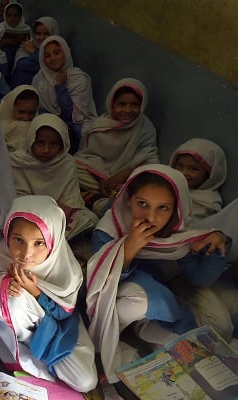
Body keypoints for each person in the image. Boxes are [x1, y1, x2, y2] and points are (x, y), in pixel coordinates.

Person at [85, 164, 230, 386]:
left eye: (163, 208)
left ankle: (149, 334)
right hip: (121, 299)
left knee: (212, 332)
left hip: (157, 301)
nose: (150, 217)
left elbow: (198, 277)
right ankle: (115, 340)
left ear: (175, 210)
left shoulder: (174, 233)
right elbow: (100, 281)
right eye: (142, 204)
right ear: (127, 200)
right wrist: (130, 247)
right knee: (141, 298)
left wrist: (213, 248)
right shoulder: (110, 228)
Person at [0, 196, 98, 393]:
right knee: (11, 295)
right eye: (18, 240)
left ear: (53, 241)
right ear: (7, 235)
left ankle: (41, 355)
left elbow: (63, 314)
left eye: (39, 243)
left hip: (59, 328)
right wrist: (4, 283)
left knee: (86, 382)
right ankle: (31, 352)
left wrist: (34, 291)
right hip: (23, 335)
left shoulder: (65, 269)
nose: (26, 253)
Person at [75, 78, 157, 215]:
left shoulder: (145, 128)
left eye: (134, 105)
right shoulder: (100, 126)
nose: (127, 110)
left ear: (142, 105)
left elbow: (150, 159)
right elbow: (86, 156)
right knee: (70, 167)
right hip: (98, 176)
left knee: (147, 183)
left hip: (125, 178)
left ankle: (99, 199)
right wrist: (102, 177)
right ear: (112, 104)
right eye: (121, 104)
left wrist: (124, 174)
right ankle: (108, 199)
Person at [9, 114, 98, 239]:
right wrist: (46, 208)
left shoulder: (66, 163)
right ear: (31, 140)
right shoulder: (18, 162)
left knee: (91, 219)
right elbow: (18, 199)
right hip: (30, 214)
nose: (46, 150)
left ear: (63, 145)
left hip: (61, 213)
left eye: (53, 144)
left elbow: (72, 199)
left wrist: (60, 212)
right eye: (40, 142)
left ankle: (49, 240)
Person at [32, 35, 96, 151]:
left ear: (66, 52)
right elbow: (38, 109)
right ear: (42, 59)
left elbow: (72, 115)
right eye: (47, 56)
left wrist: (60, 87)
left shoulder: (79, 79)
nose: (53, 58)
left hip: (74, 125)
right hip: (48, 123)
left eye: (57, 52)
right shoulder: (39, 79)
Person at [169, 138, 226, 221]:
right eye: (179, 166)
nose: (183, 172)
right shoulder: (164, 184)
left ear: (209, 174)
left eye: (193, 169)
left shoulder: (208, 203)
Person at [11, 17, 58, 87]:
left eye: (46, 34)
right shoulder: (27, 45)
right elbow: (21, 64)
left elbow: (55, 67)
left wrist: (33, 51)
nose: (41, 38)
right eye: (38, 34)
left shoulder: (59, 49)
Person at [0, 84, 38, 151]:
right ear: (11, 107)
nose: (26, 118)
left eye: (31, 113)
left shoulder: (38, 128)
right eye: (21, 112)